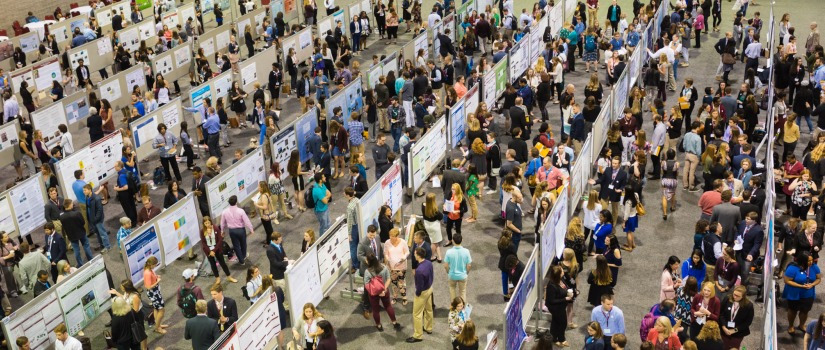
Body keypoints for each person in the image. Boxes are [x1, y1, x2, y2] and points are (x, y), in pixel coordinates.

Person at [785, 251, 821, 336]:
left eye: (811, 260)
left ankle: (801, 325)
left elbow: (818, 279)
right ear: (802, 260)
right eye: (809, 261)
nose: (811, 262)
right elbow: (787, 280)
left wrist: (812, 284)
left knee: (805, 311)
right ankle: (790, 326)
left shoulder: (814, 267)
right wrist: (800, 286)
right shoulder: (792, 268)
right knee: (792, 310)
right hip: (795, 293)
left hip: (808, 294)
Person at [364, 253, 401, 331]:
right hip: (385, 292)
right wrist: (383, 289)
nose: (365, 260)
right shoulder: (384, 267)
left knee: (375, 310)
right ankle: (394, 323)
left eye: (366, 259)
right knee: (388, 306)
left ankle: (379, 325)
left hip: (373, 294)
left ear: (369, 262)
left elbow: (366, 284)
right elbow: (388, 279)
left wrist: (375, 291)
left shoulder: (367, 271)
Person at [406, 247, 434, 343]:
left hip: (422, 293)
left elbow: (419, 286)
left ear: (418, 255)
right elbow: (432, 275)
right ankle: (428, 328)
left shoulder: (419, 271)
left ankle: (418, 335)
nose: (413, 254)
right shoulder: (429, 263)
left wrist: (417, 294)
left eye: (414, 253)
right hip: (430, 289)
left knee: (417, 314)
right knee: (429, 309)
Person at [58, 200, 93, 267]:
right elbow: (83, 222)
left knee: (76, 251)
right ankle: (91, 259)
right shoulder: (77, 213)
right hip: (81, 233)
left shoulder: (61, 217)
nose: (72, 205)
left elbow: (64, 226)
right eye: (72, 204)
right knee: (86, 246)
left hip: (71, 235)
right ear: (69, 205)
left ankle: (80, 264)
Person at [220, 195, 253, 265]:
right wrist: (251, 229)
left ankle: (241, 261)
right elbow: (246, 221)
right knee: (243, 244)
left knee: (236, 246)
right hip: (241, 230)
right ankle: (243, 256)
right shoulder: (241, 211)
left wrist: (222, 231)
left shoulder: (224, 212)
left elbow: (222, 223)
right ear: (236, 202)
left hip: (232, 231)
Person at [546, 265, 570, 347]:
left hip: (561, 306)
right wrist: (565, 299)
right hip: (555, 308)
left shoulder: (561, 279)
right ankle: (561, 339)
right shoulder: (551, 286)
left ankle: (554, 338)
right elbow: (552, 300)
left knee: (555, 322)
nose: (564, 271)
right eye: (562, 271)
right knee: (562, 323)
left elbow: (566, 287)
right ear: (558, 275)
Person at [444, 233, 472, 302]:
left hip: (452, 275)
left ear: (453, 241)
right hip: (463, 275)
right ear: (462, 240)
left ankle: (454, 308)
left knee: (452, 289)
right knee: (462, 291)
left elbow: (445, 265)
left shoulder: (449, 252)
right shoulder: (466, 251)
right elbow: (469, 265)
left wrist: (448, 272)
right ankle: (463, 309)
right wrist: (466, 272)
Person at [143, 256, 167, 334]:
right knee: (161, 310)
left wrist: (156, 277)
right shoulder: (147, 273)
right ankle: (157, 328)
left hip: (155, 292)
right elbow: (148, 287)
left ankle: (158, 325)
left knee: (156, 309)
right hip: (153, 293)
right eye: (155, 265)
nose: (155, 266)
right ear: (151, 264)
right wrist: (157, 281)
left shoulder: (150, 270)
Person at [83, 184, 111, 252]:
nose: (84, 192)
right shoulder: (87, 197)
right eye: (83, 190)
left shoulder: (97, 198)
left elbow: (99, 210)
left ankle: (107, 246)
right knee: (97, 233)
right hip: (92, 218)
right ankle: (101, 244)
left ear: (90, 190)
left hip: (97, 220)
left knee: (102, 233)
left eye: (85, 190)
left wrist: (96, 219)